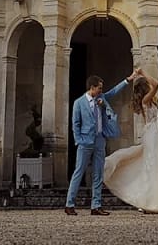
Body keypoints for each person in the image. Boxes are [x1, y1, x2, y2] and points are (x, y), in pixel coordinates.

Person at [102, 67, 158, 213]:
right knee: (151, 166)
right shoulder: (146, 100)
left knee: (157, 166)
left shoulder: (148, 101)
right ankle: (149, 202)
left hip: (154, 134)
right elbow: (157, 84)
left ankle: (152, 201)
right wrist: (143, 73)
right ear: (146, 88)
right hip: (152, 135)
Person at [64, 71, 131, 216]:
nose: (101, 90)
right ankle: (69, 204)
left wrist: (128, 80)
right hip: (85, 142)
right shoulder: (79, 103)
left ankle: (96, 206)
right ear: (92, 88)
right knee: (79, 172)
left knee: (98, 174)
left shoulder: (102, 98)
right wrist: (79, 140)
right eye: (99, 88)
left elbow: (114, 91)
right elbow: (75, 124)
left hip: (100, 140)